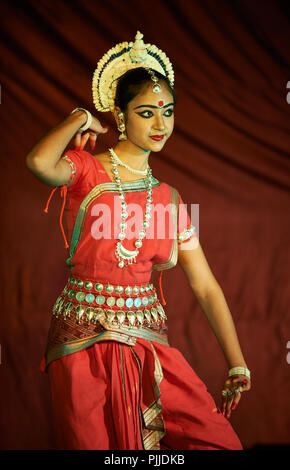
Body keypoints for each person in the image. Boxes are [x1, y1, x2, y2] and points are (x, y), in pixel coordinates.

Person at [26, 31, 251, 450]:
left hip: (147, 344)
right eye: (147, 112)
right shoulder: (86, 170)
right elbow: (39, 162)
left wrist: (236, 362)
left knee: (219, 441)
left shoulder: (169, 198)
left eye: (167, 111)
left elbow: (205, 286)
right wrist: (80, 117)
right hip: (82, 342)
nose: (161, 124)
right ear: (121, 115)